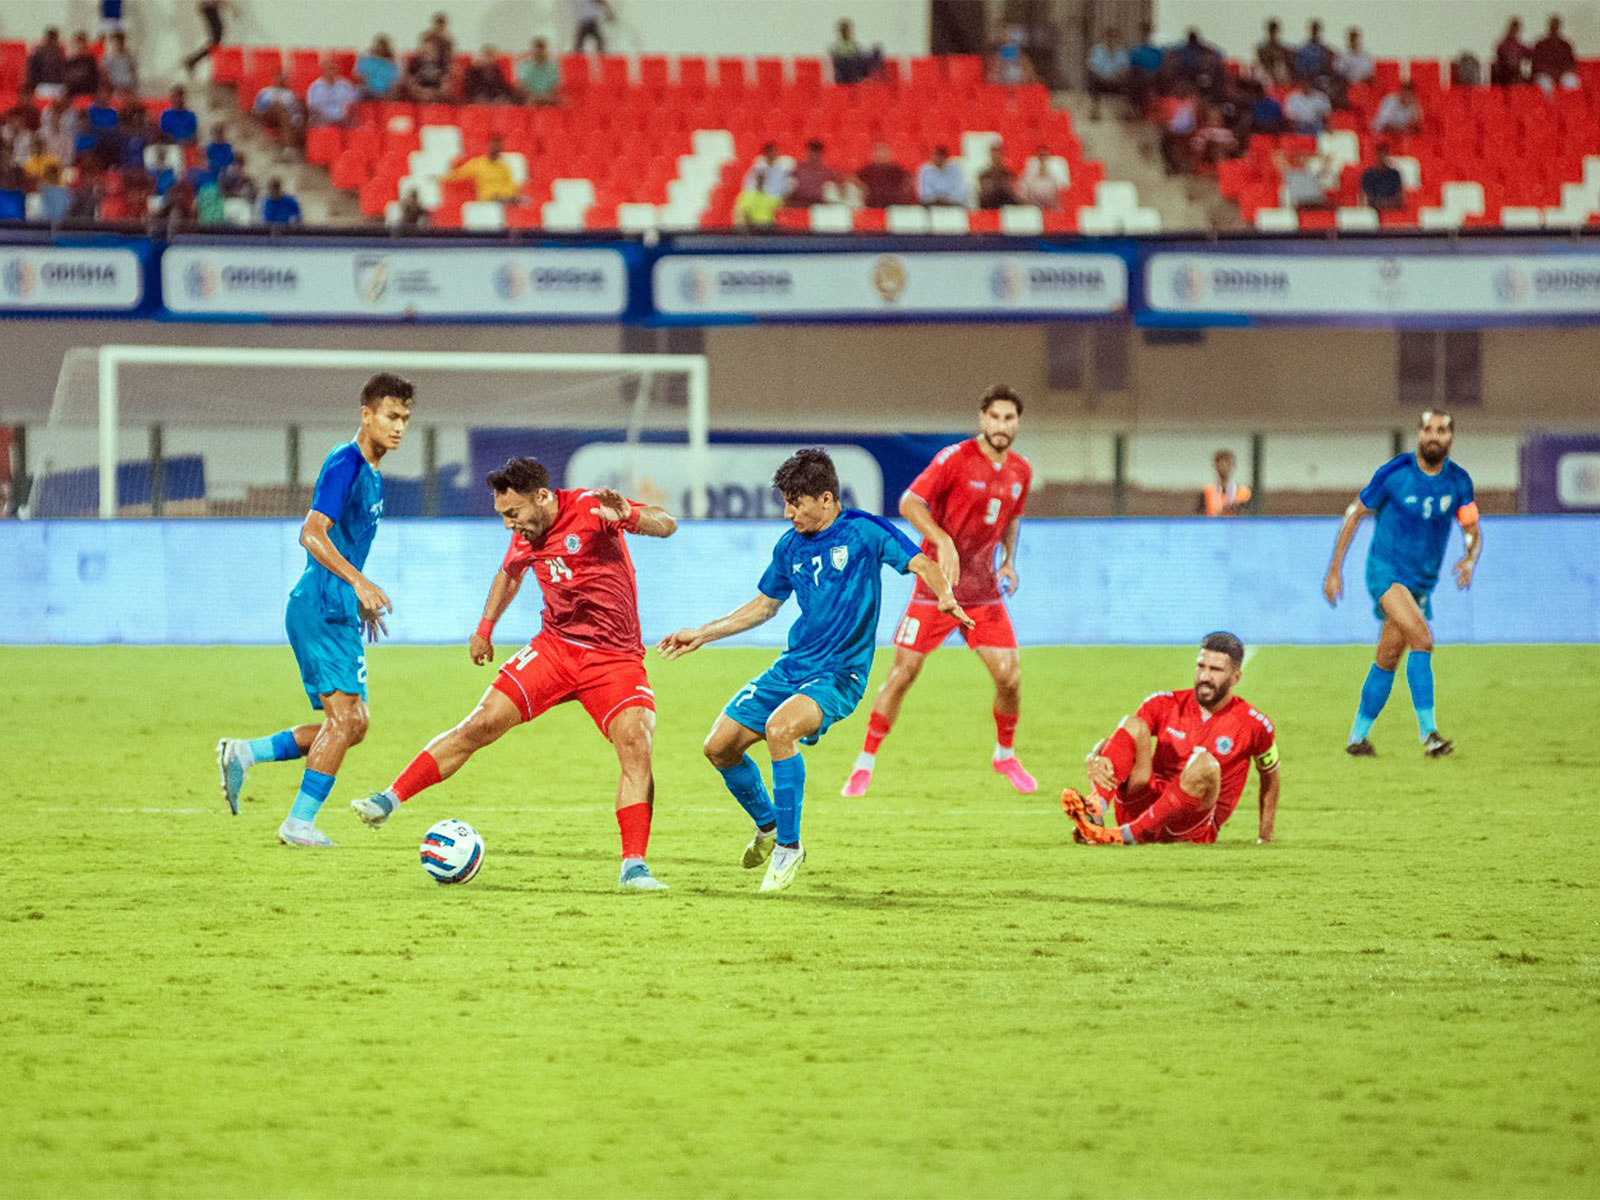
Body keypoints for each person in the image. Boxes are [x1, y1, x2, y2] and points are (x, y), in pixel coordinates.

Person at [351, 457, 677, 892]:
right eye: (502, 515)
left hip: (613, 658)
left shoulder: (591, 508)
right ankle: (387, 800)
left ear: (542, 497)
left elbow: (667, 523)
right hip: (555, 649)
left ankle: (633, 866)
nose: (509, 525)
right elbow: (509, 574)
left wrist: (632, 516)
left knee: (637, 741)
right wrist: (484, 629)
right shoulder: (527, 533)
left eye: (513, 514)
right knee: (480, 723)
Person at [658, 448, 970, 893]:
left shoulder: (864, 531)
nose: (787, 513)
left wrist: (944, 596)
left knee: (780, 729)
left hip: (840, 674)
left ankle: (788, 846)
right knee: (718, 747)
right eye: (785, 502)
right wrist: (704, 633)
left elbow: (921, 562)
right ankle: (768, 825)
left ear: (826, 499)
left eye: (795, 503)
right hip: (792, 666)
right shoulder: (789, 546)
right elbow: (765, 605)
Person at [216, 375, 414, 845]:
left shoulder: (371, 470)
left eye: (405, 418)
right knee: (345, 722)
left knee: (354, 725)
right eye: (391, 416)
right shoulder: (346, 462)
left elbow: (343, 540)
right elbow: (311, 532)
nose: (399, 426)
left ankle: (245, 753)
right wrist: (359, 583)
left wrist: (357, 598)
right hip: (321, 606)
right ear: (366, 415)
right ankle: (298, 823)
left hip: (336, 605)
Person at [842, 385, 1034, 799]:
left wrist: (1009, 561)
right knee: (903, 674)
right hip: (935, 589)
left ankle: (1005, 754)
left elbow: (1012, 519)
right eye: (995, 417)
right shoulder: (955, 459)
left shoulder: (1021, 471)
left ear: (1018, 422)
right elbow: (910, 502)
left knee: (1010, 678)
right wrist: (942, 541)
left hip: (983, 593)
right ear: (982, 418)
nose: (1002, 425)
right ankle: (864, 763)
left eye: (1010, 418)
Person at [1324, 410, 1481, 758]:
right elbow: (1355, 514)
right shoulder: (1395, 474)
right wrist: (1335, 569)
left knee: (1388, 656)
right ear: (1419, 435)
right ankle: (1430, 736)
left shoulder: (1459, 482)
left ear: (1451, 438)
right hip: (1386, 573)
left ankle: (1357, 738)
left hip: (1421, 582)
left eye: (1441, 430)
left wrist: (1470, 557)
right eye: (1428, 429)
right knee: (1422, 638)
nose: (1433, 436)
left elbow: (1471, 528)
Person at [1060, 632, 1280, 846]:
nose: (1205, 676)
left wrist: (1265, 836)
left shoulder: (1255, 725)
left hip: (1191, 826)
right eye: (1201, 666)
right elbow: (1122, 742)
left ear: (1235, 677)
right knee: (1133, 724)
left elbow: (1270, 776)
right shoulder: (1165, 703)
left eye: (1215, 670)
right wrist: (1095, 755)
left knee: (1206, 764)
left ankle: (1125, 836)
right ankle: (1094, 813)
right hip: (1142, 807)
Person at [443, 134, 520, 203]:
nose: (496, 149)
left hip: (504, 198)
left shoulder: (504, 166)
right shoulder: (478, 163)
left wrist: (507, 195)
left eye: (498, 147)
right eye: (494, 146)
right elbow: (458, 175)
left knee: (523, 200)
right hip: (487, 198)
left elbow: (510, 185)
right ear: (489, 147)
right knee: (501, 200)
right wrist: (449, 169)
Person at [1086, 28, 1130, 120]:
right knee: (1092, 80)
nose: (1111, 40)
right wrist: (1101, 77)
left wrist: (1116, 77)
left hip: (1116, 81)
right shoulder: (1097, 50)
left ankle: (1125, 111)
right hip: (1101, 80)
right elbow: (1092, 67)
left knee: (1128, 81)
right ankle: (1095, 110)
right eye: (1109, 37)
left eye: (1114, 38)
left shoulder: (1121, 52)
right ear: (1105, 38)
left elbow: (1124, 68)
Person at [854, 141, 910, 208]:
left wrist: (901, 191)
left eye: (883, 152)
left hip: (893, 202)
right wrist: (863, 188)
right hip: (873, 201)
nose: (881, 155)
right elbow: (855, 178)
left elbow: (907, 178)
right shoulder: (868, 169)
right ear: (874, 154)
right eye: (879, 153)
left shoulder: (895, 169)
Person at [306, 61, 361, 127]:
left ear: (337, 70)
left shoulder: (346, 85)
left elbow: (353, 105)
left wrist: (346, 117)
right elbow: (312, 108)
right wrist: (325, 119)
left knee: (357, 124)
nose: (331, 72)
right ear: (322, 71)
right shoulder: (314, 87)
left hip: (344, 120)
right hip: (323, 121)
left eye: (333, 68)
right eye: (328, 69)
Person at [1530, 15, 1578, 92]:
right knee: (1545, 84)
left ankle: (1568, 103)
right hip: (1545, 74)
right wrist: (1550, 72)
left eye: (1556, 25)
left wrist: (1561, 73)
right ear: (1549, 26)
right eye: (1553, 25)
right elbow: (1536, 64)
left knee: (1572, 82)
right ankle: (1549, 104)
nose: (1554, 28)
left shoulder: (1565, 45)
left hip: (1561, 74)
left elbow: (1572, 64)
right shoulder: (1541, 44)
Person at [1199, 448, 1251, 516]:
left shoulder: (1244, 493)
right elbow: (1199, 516)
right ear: (1215, 466)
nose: (1223, 466)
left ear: (1233, 466)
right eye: (1220, 463)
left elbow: (1250, 518)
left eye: (1227, 463)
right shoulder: (1207, 492)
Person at [184, 0, 230, 75]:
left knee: (216, 40)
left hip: (209, 6)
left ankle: (193, 61)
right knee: (216, 40)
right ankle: (192, 61)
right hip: (208, 6)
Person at [786, 139, 837, 207]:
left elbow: (839, 181)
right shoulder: (798, 167)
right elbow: (788, 183)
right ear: (807, 152)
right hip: (799, 200)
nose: (814, 155)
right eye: (811, 151)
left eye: (817, 152)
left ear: (821, 153)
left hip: (817, 202)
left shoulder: (826, 170)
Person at [830, 18, 881, 84]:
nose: (846, 32)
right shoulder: (835, 47)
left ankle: (876, 77)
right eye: (844, 29)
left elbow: (860, 54)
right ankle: (861, 78)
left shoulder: (855, 45)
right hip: (846, 72)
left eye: (847, 29)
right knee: (852, 60)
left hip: (856, 66)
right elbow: (838, 60)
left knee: (876, 50)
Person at [518, 37, 561, 105]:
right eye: (537, 50)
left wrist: (546, 97)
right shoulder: (525, 66)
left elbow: (555, 86)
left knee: (562, 103)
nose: (539, 53)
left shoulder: (552, 66)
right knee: (525, 102)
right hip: (530, 98)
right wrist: (534, 97)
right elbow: (522, 86)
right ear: (532, 51)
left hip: (548, 97)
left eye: (541, 50)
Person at [975, 144, 1018, 208]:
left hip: (1006, 204)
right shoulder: (984, 175)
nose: (996, 158)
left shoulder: (1008, 174)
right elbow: (983, 191)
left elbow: (1010, 191)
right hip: (989, 205)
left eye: (998, 155)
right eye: (994, 156)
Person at [1492, 18, 1530, 86]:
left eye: (1516, 29)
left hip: (1516, 74)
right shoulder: (1503, 44)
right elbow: (1504, 58)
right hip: (1504, 74)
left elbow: (1529, 55)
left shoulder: (1520, 46)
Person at [63, 31, 100, 98]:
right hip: (72, 94)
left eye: (81, 43)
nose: (79, 46)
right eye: (77, 43)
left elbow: (95, 79)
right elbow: (66, 79)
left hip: (88, 93)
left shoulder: (91, 60)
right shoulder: (69, 61)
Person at [1255, 18, 1293, 84]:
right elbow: (1263, 59)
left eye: (1274, 30)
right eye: (1271, 30)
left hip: (1277, 69)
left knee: (1283, 72)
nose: (1273, 32)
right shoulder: (1261, 46)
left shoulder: (1282, 46)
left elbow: (1285, 57)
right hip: (1265, 71)